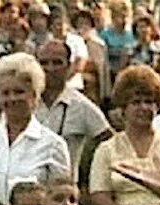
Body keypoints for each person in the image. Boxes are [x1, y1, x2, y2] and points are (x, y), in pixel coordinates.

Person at [0, 53, 71, 205]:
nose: (12, 98)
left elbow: (61, 201)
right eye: (6, 93)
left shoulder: (54, 145)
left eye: (19, 92)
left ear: (34, 96)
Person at [89, 65, 160, 205]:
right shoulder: (106, 149)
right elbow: (99, 197)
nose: (144, 108)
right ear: (123, 108)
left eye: (149, 102)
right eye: (136, 102)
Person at [34, 40, 110, 177]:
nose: (50, 69)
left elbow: (111, 145)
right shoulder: (24, 103)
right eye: (44, 63)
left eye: (57, 62)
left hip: (63, 192)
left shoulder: (82, 106)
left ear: (69, 66)